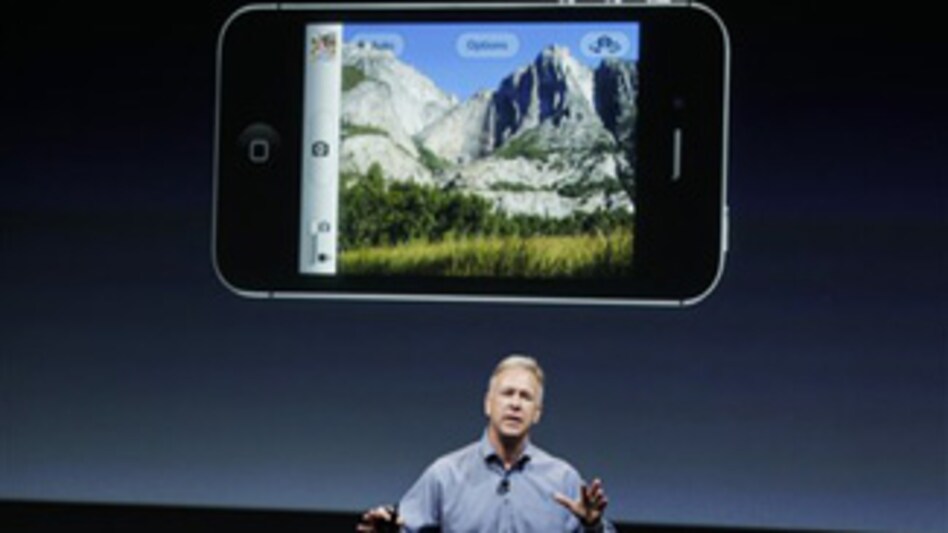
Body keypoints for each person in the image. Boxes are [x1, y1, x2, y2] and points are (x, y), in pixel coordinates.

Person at [357, 354, 615, 533]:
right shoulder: (446, 475)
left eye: (525, 397)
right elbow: (403, 526)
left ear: (537, 412)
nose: (515, 403)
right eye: (507, 393)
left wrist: (593, 526)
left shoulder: (563, 480)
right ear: (488, 404)